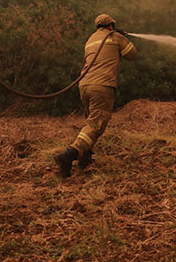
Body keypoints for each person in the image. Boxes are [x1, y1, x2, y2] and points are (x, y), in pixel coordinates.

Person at [55, 13, 137, 178]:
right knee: (96, 125)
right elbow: (132, 54)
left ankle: (84, 159)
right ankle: (69, 155)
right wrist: (122, 37)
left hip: (84, 85)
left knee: (90, 122)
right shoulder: (114, 37)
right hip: (102, 86)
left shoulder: (91, 39)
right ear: (111, 26)